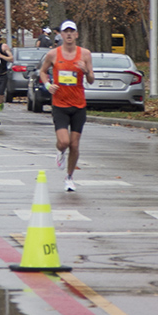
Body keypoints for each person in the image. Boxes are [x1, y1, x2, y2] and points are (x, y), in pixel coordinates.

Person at [38, 20, 94, 192]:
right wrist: (48, 85)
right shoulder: (53, 54)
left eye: (72, 31)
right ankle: (60, 152)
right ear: (60, 35)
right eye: (66, 31)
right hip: (60, 104)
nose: (69, 34)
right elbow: (42, 72)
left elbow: (91, 80)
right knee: (64, 142)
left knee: (75, 145)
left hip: (78, 104)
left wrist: (86, 71)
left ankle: (69, 177)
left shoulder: (85, 54)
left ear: (76, 34)